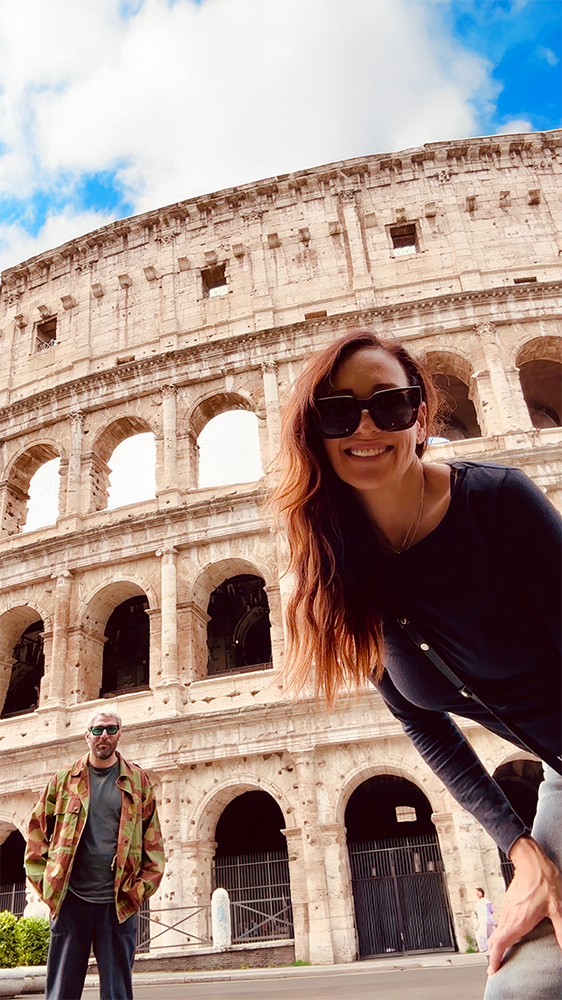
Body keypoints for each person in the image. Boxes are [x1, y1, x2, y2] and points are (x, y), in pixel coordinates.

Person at [271, 328, 562, 1000]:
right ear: (313, 433)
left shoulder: (495, 500)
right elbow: (426, 726)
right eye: (339, 411)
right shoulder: (341, 569)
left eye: (391, 405)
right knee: (522, 989)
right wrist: (523, 855)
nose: (365, 426)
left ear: (422, 417)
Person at [25, 710, 165, 1000]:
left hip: (118, 903)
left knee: (117, 993)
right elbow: (36, 834)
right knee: (62, 991)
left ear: (120, 734)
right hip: (70, 901)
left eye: (111, 729)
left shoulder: (138, 781)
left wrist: (138, 891)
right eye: (98, 730)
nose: (104, 736)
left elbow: (154, 843)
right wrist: (49, 887)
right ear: (86, 735)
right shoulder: (63, 780)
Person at [476, 887, 496, 956]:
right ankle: (491, 947)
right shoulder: (484, 901)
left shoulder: (485, 901)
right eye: (477, 892)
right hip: (487, 919)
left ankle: (485, 948)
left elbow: (491, 910)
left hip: (484, 920)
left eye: (478, 892)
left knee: (482, 934)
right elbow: (492, 910)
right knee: (489, 933)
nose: (477, 893)